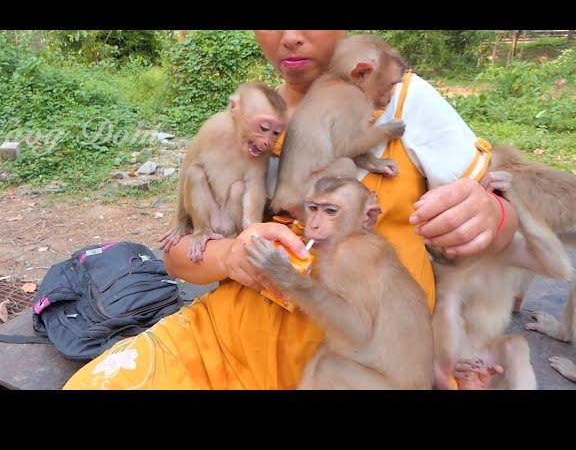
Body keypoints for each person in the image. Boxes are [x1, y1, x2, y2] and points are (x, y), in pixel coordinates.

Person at [63, 30, 518, 390]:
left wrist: (490, 215)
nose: (290, 37)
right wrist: (231, 255)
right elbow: (178, 252)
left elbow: (504, 226)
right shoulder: (258, 119)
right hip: (226, 344)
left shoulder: (398, 96)